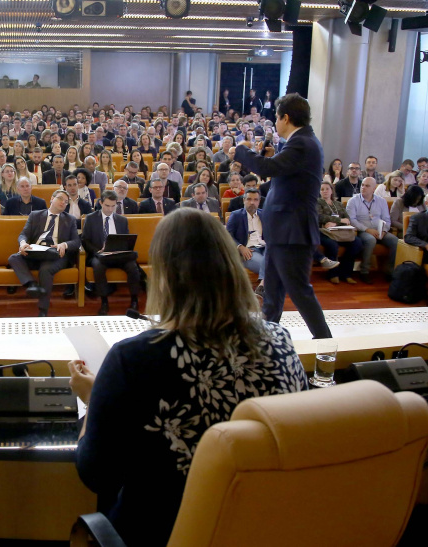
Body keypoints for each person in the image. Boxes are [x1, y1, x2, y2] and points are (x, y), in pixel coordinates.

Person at [68, 207, 308, 547]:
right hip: (266, 527)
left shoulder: (133, 358)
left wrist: (93, 400)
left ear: (166, 274)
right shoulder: (281, 340)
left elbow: (97, 474)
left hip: (163, 534)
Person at [234, 92, 332, 339]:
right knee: (273, 292)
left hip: (293, 232)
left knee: (299, 291)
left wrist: (242, 150)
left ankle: (324, 344)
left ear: (285, 118)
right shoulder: (302, 143)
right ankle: (265, 341)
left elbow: (268, 168)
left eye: (276, 118)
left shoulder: (302, 144)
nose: (275, 123)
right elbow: (281, 181)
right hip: (283, 232)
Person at [8, 189, 80, 317]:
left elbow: (76, 241)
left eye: (66, 202)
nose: (63, 203)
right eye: (60, 199)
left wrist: (64, 244)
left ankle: (43, 310)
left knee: (45, 269)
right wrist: (23, 244)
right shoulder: (35, 215)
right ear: (51, 199)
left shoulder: (70, 219)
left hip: (56, 255)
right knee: (14, 257)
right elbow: (24, 234)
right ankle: (32, 285)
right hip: (36, 252)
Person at [81, 190, 140, 316]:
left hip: (119, 255)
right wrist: (98, 250)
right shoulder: (91, 218)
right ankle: (104, 301)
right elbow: (85, 240)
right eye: (107, 205)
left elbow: (126, 239)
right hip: (100, 255)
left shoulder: (122, 220)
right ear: (101, 203)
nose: (110, 209)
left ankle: (134, 299)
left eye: (113, 206)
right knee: (97, 266)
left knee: (132, 266)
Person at [347, 177, 398, 284]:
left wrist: (384, 231)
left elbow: (387, 219)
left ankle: (389, 270)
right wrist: (367, 229)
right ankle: (364, 271)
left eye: (367, 186)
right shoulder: (353, 201)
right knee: (370, 240)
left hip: (380, 230)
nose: (363, 187)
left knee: (396, 241)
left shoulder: (381, 201)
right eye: (362, 185)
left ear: (374, 188)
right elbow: (352, 220)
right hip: (363, 231)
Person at [317, 181, 363, 284]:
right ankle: (333, 274)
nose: (325, 191)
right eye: (322, 189)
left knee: (357, 243)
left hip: (340, 231)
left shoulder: (338, 204)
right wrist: (339, 221)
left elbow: (346, 218)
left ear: (331, 191)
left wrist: (335, 223)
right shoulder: (317, 202)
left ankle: (346, 273)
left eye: (327, 189)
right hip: (323, 232)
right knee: (332, 245)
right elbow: (320, 217)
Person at [226, 188, 266, 294]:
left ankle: (263, 285)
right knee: (270, 264)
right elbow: (227, 235)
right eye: (249, 199)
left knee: (276, 259)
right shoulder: (236, 215)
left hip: (266, 248)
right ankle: (265, 287)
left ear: (259, 201)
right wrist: (240, 247)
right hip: (249, 250)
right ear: (244, 200)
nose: (252, 202)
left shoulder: (264, 214)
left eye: (255, 200)